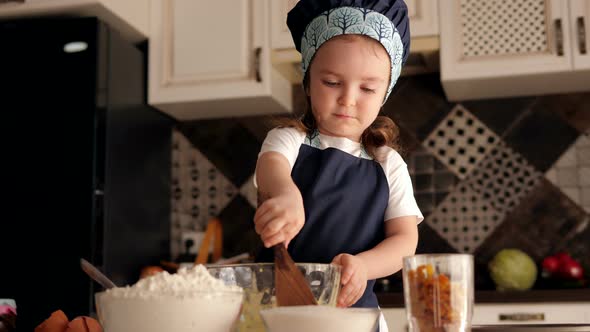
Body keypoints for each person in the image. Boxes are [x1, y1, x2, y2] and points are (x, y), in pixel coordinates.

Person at [254, 0, 423, 330]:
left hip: (353, 317)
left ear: (384, 93)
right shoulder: (289, 139)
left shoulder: (388, 163)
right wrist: (285, 194)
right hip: (277, 311)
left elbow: (405, 240)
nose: (348, 98)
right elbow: (270, 168)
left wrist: (363, 266)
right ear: (308, 81)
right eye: (331, 83)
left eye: (367, 88)